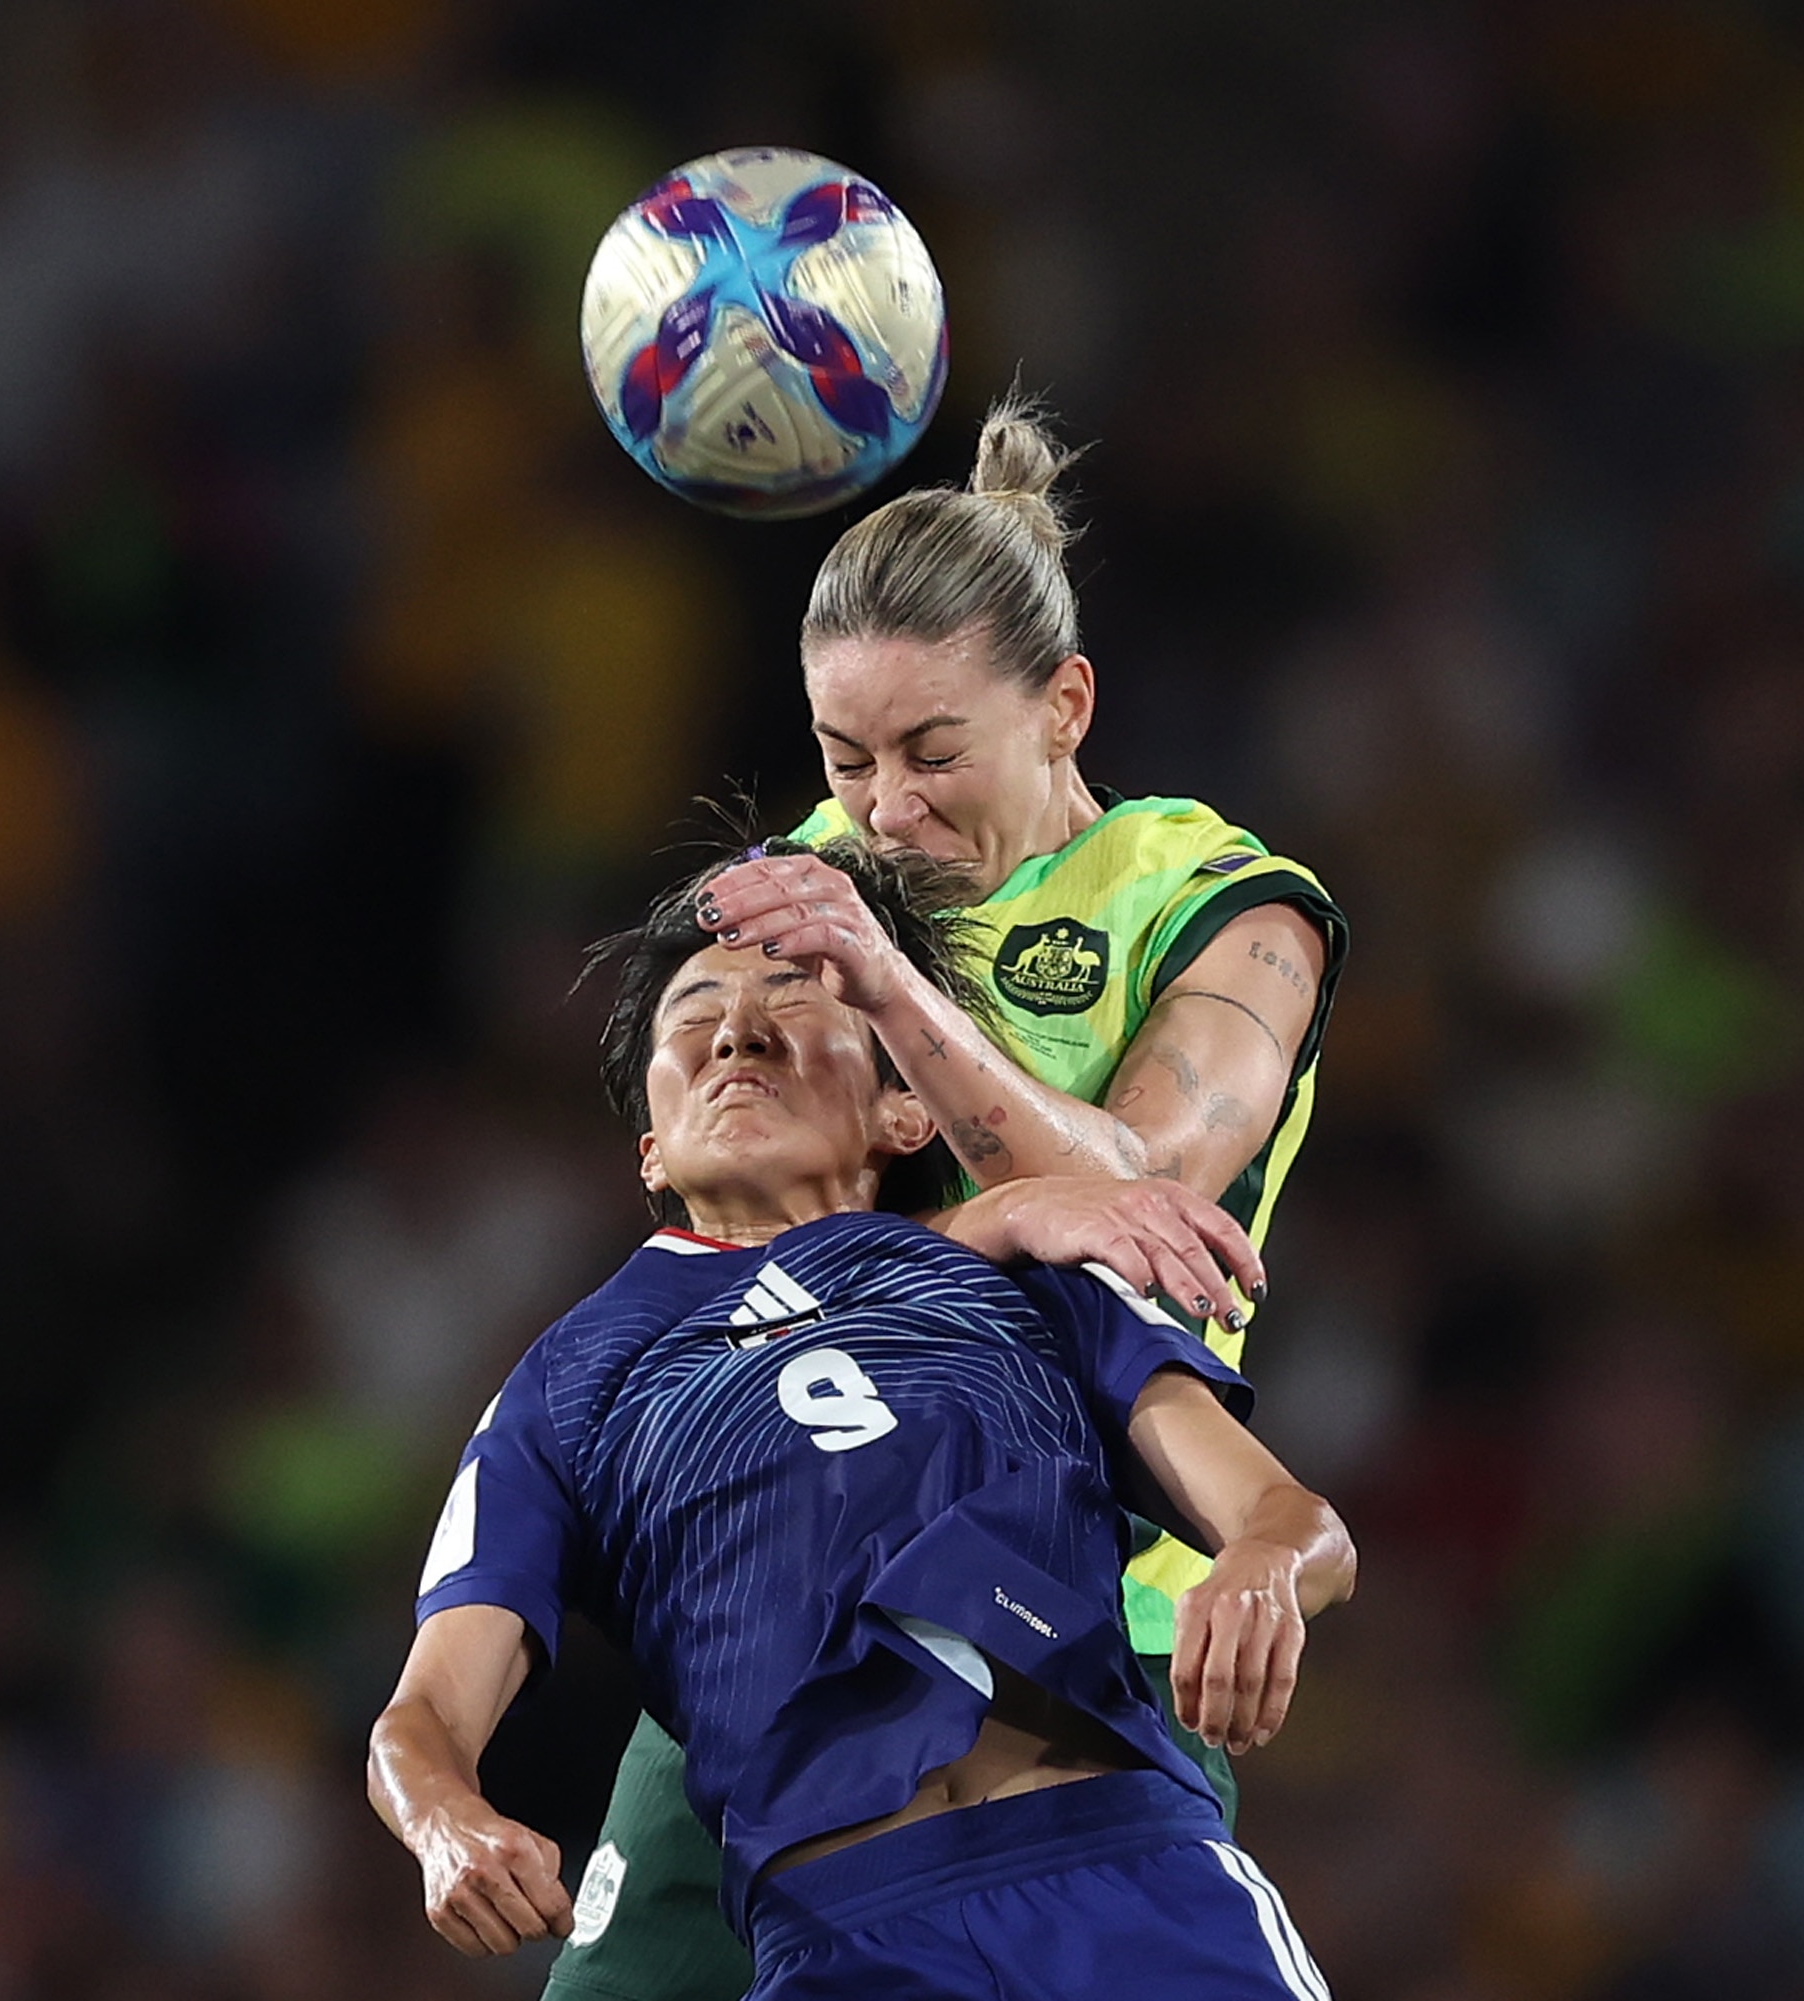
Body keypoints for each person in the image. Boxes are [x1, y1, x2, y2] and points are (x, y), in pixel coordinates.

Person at [554, 400, 1350, 2001]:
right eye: (846, 759)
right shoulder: (816, 876)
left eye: (932, 754)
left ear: (1064, 708)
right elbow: (730, 1244)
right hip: (780, 1590)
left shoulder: (1223, 911)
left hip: (1081, 1630)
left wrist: (891, 990)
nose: (886, 811)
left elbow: (1138, 1205)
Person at [368, 844, 1352, 2000]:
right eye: (695, 1012)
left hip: (1133, 1867)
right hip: (843, 1940)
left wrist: (1263, 1567)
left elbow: (1296, 1522)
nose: (738, 1033)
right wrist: (447, 1823)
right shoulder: (565, 1383)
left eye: (792, 995)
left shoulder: (1038, 1273)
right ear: (649, 1141)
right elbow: (424, 1713)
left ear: (901, 1111)